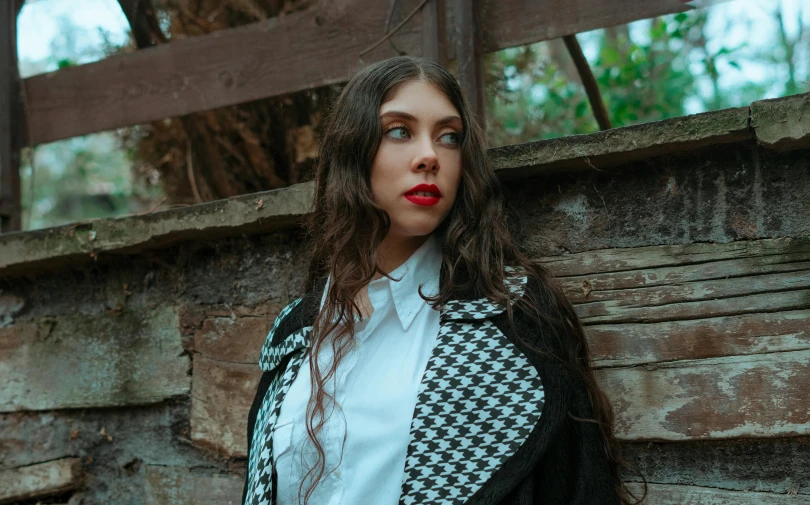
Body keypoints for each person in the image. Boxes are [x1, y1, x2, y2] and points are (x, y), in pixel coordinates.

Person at [242, 56, 642, 505]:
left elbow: (579, 487)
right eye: (400, 131)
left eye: (449, 137)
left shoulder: (514, 319)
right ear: (352, 149)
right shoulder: (297, 332)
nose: (429, 156)